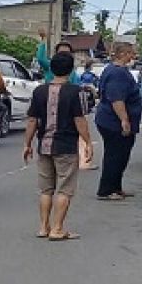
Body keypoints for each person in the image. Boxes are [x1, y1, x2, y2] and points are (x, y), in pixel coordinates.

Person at [24, 52, 92, 240]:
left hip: (43, 146)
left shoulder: (39, 91)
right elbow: (80, 120)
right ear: (71, 70)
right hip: (66, 147)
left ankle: (43, 227)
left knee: (46, 190)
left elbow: (32, 121)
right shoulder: (77, 92)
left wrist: (27, 144)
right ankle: (57, 229)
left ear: (51, 68)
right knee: (64, 189)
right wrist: (87, 142)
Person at [95, 42, 141, 200]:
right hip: (113, 121)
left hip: (110, 119)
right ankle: (106, 190)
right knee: (115, 155)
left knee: (121, 155)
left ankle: (116, 187)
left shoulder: (114, 70)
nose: (133, 56)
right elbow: (117, 99)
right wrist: (124, 120)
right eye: (131, 53)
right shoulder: (118, 73)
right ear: (123, 54)